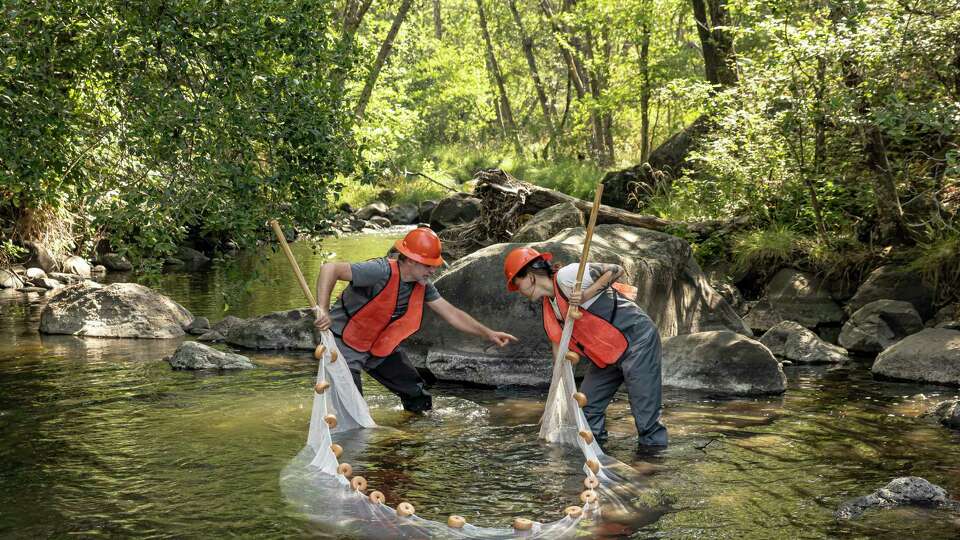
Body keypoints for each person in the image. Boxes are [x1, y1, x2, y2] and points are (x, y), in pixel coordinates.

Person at [314, 227, 517, 412]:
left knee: (418, 396)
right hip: (344, 344)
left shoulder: (424, 285)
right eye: (428, 265)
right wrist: (322, 308)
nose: (433, 270)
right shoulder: (379, 271)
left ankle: (413, 437)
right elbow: (329, 269)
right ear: (410, 260)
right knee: (352, 410)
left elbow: (452, 314)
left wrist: (488, 333)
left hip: (381, 346)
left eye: (434, 265)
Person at [503, 247, 668, 449]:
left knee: (645, 416)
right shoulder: (549, 306)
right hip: (606, 356)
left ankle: (652, 467)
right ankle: (595, 460)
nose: (517, 289)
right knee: (586, 411)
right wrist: (554, 400)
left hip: (637, 340)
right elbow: (559, 353)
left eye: (516, 283)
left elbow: (615, 270)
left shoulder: (568, 276)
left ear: (529, 276)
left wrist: (585, 294)